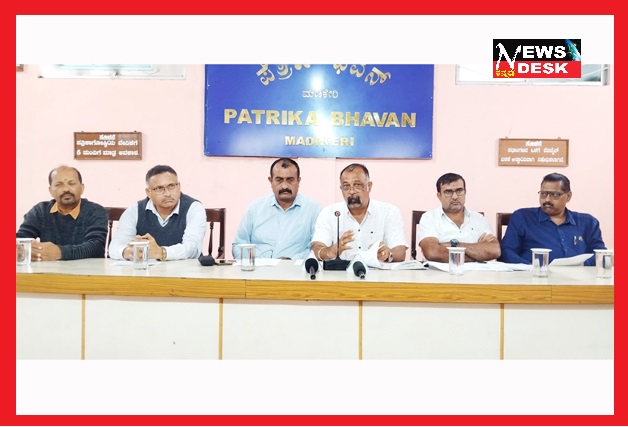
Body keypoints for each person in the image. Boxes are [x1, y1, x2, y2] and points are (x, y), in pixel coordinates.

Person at [499, 172, 606, 266]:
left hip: (579, 278)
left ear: (568, 196)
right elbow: (506, 251)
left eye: (554, 195)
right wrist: (531, 268)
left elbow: (601, 254)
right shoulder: (523, 217)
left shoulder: (587, 222)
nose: (547, 199)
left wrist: (581, 266)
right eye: (543, 194)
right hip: (534, 278)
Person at [311, 163, 407, 262]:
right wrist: (330, 252)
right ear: (341, 189)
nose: (352, 191)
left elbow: (400, 252)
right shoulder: (329, 213)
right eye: (346, 186)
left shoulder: (389, 212)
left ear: (369, 186)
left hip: (377, 271)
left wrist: (389, 254)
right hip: (342, 271)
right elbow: (316, 248)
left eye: (357, 185)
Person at [109, 165, 206, 261]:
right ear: (148, 192)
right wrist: (130, 252)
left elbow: (193, 248)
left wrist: (161, 252)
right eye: (159, 188)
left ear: (179, 186)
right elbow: (114, 247)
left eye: (171, 186)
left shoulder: (194, 208)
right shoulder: (135, 210)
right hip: (147, 270)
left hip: (185, 269)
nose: (167, 194)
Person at [232, 158, 321, 260]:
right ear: (271, 181)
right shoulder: (255, 208)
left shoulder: (314, 210)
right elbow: (238, 246)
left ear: (298, 181)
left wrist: (290, 261)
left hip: (295, 268)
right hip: (258, 268)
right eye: (279, 180)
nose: (284, 186)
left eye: (290, 180)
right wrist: (251, 264)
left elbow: (317, 249)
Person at [16, 165, 108, 260]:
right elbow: (20, 239)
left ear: (82, 188)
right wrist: (28, 250)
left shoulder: (95, 211)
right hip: (48, 268)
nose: (66, 189)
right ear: (50, 191)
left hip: (87, 268)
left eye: (72, 183)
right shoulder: (40, 211)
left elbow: (96, 247)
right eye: (59, 185)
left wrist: (60, 253)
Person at [418, 173, 500, 263]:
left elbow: (494, 250)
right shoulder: (429, 218)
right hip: (439, 271)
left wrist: (454, 245)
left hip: (475, 271)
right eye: (448, 192)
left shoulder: (478, 219)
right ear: (439, 196)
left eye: (459, 191)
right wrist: (477, 254)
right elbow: (432, 252)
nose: (455, 197)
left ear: (465, 192)